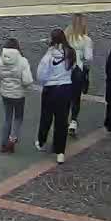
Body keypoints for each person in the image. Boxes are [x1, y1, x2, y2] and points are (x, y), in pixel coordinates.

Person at [35, 28, 77, 163]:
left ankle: (41, 142)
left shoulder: (48, 56)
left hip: (50, 90)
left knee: (46, 117)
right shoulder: (71, 53)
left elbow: (40, 75)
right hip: (65, 88)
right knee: (62, 120)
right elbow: (73, 68)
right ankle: (60, 152)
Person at [0, 38, 34, 153]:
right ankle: (12, 139)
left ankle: (4, 143)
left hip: (5, 94)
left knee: (7, 118)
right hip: (19, 95)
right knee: (18, 117)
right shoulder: (23, 61)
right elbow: (27, 81)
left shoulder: (0, 61)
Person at [67, 13, 95, 132]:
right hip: (78, 71)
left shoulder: (67, 37)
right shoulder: (86, 40)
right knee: (76, 98)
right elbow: (88, 58)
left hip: (66, 70)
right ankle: (73, 121)